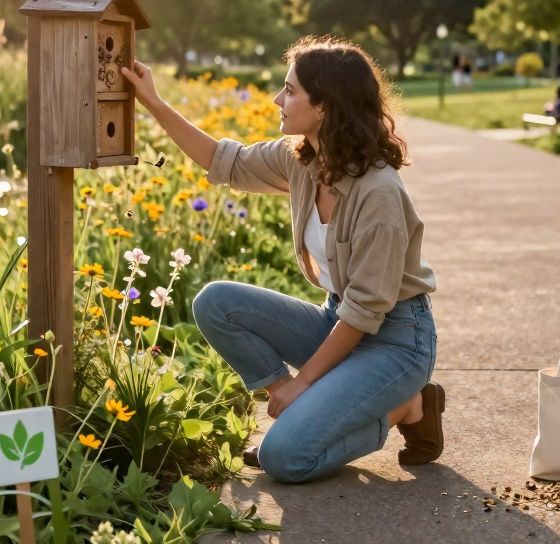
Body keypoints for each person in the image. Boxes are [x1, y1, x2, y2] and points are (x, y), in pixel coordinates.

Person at [119, 35, 443, 485]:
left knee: (286, 459)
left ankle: (406, 406)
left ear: (325, 106)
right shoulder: (304, 160)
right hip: (338, 321)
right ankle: (300, 409)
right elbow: (222, 160)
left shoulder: (379, 194)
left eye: (290, 90)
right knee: (216, 302)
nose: (277, 98)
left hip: (395, 341)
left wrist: (305, 381)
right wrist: (153, 102)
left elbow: (366, 309)